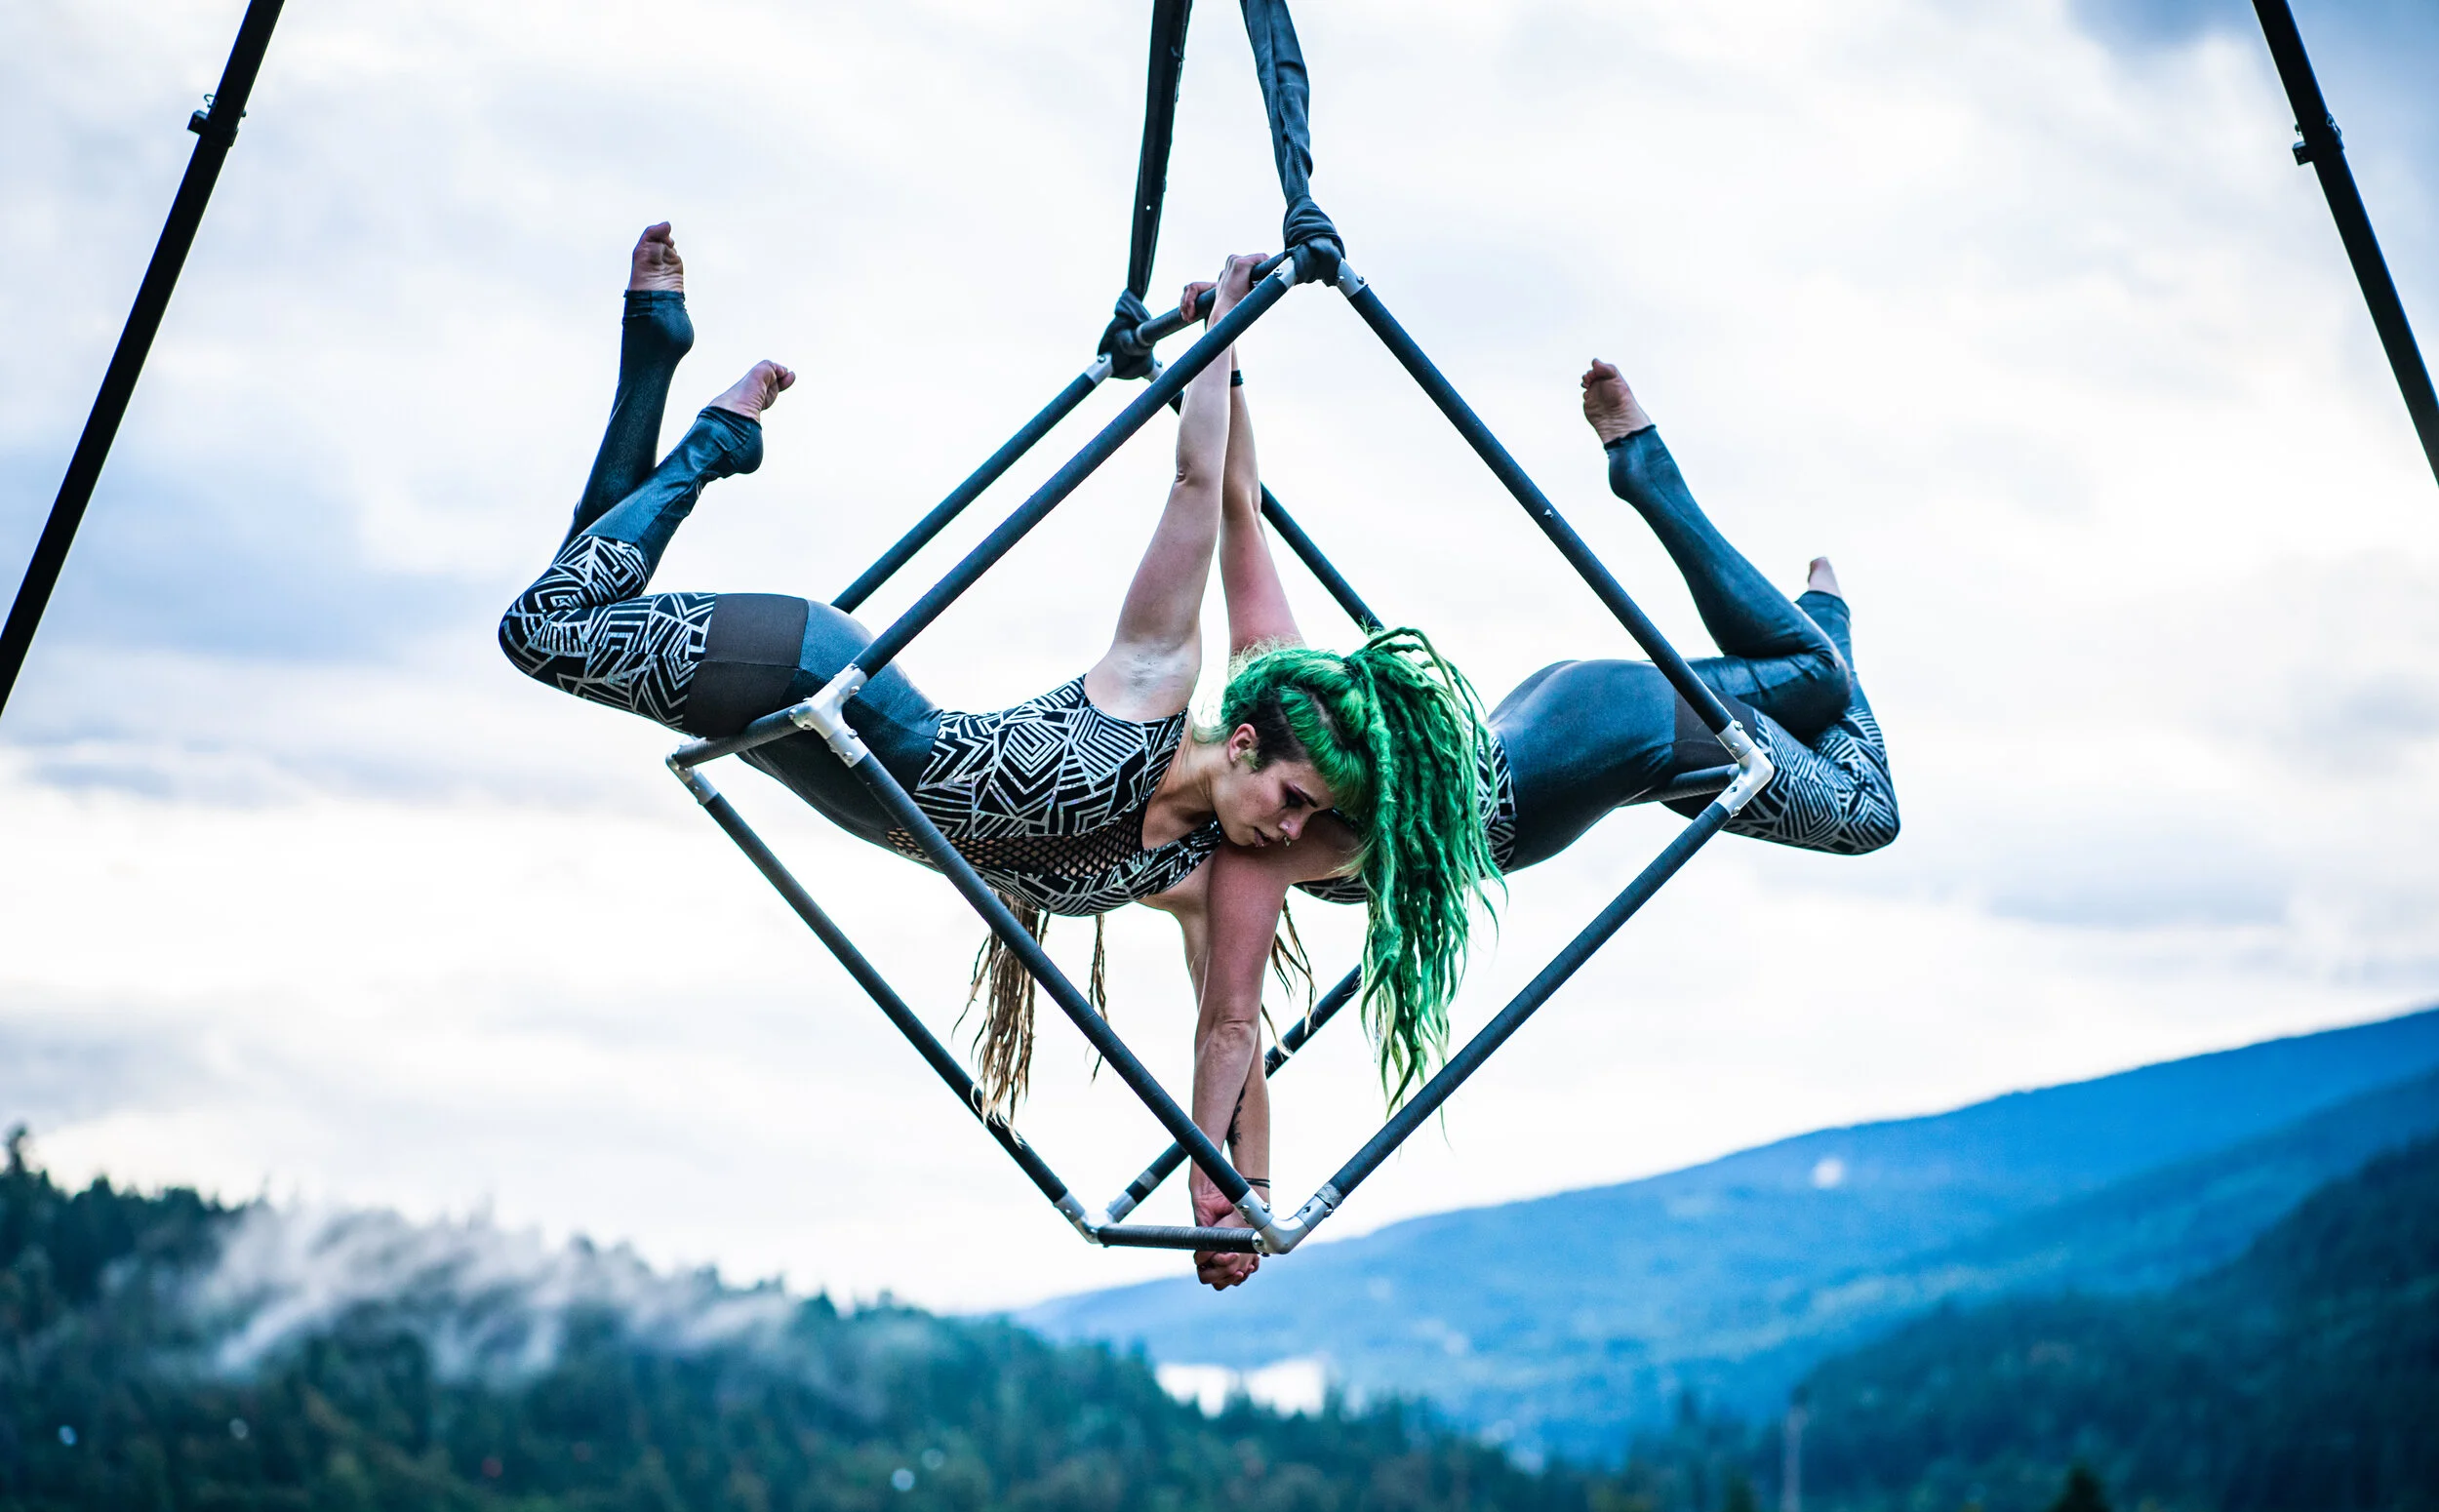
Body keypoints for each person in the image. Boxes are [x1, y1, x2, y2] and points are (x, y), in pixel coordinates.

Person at [501, 225, 1899, 1292]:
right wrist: (1216, 348)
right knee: (556, 627)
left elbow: (1229, 1030)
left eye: (1313, 819)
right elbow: (1213, 501)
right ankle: (712, 439)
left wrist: (1223, 1199)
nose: (1292, 831)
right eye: (1292, 797)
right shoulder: (1163, 685)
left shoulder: (1232, 849)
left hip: (866, 776)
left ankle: (654, 353)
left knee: (569, 618)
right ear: (1249, 739)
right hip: (837, 695)